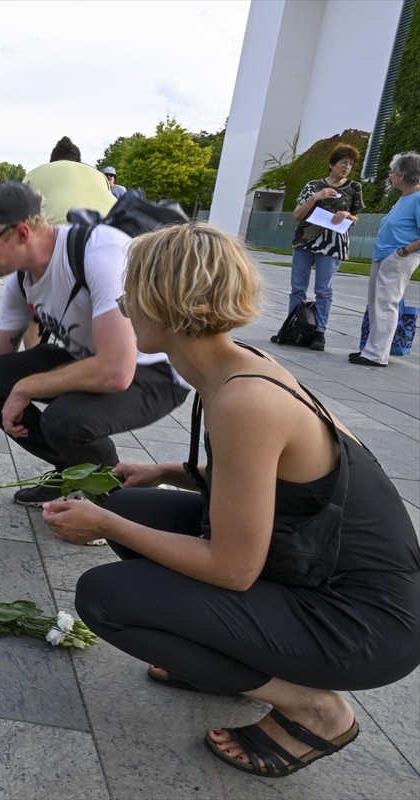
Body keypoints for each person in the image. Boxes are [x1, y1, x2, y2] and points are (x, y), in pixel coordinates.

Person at [44, 222, 419, 779]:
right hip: (315, 569)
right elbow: (286, 486)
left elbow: (232, 569)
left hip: (362, 625)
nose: (122, 305)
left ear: (165, 302)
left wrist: (104, 525)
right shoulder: (238, 366)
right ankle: (225, 661)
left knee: (105, 597)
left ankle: (312, 708)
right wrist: (166, 472)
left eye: (131, 291)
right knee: (131, 507)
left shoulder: (246, 401)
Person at [0, 182, 189, 504]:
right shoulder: (22, 278)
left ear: (21, 233)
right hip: (91, 359)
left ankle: (117, 499)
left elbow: (116, 370)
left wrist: (25, 387)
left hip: (156, 372)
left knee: (64, 420)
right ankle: (72, 470)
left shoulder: (98, 251)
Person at [281, 144, 362, 352]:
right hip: (305, 241)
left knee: (324, 290)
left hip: (333, 244)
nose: (347, 167)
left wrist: (348, 215)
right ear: (331, 164)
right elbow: (297, 215)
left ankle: (319, 333)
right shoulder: (313, 185)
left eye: (350, 164)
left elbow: (356, 218)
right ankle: (293, 328)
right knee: (298, 288)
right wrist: (316, 197)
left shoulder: (354, 188)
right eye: (343, 163)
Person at [349, 152, 420, 367]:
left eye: (392, 171)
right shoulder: (405, 197)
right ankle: (371, 349)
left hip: (398, 258)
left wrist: (403, 251)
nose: (390, 175)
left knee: (386, 305)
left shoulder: (418, 198)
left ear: (402, 175)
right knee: (376, 304)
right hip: (385, 256)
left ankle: (377, 355)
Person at [23, 136, 115, 224]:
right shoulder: (100, 176)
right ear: (78, 162)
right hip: (115, 227)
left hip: (58, 228)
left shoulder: (32, 175)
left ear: (52, 162)